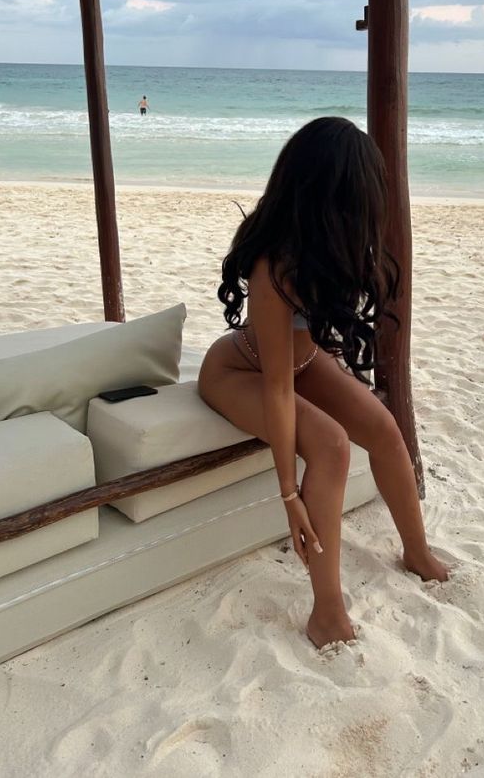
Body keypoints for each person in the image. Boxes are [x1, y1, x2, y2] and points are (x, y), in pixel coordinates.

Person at [198, 117, 448, 649]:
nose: (370, 207)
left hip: (300, 363)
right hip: (240, 371)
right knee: (332, 446)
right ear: (327, 195)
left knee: (383, 425)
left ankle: (417, 551)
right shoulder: (274, 268)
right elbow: (277, 390)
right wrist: (288, 492)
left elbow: (306, 348)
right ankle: (327, 609)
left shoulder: (327, 248)